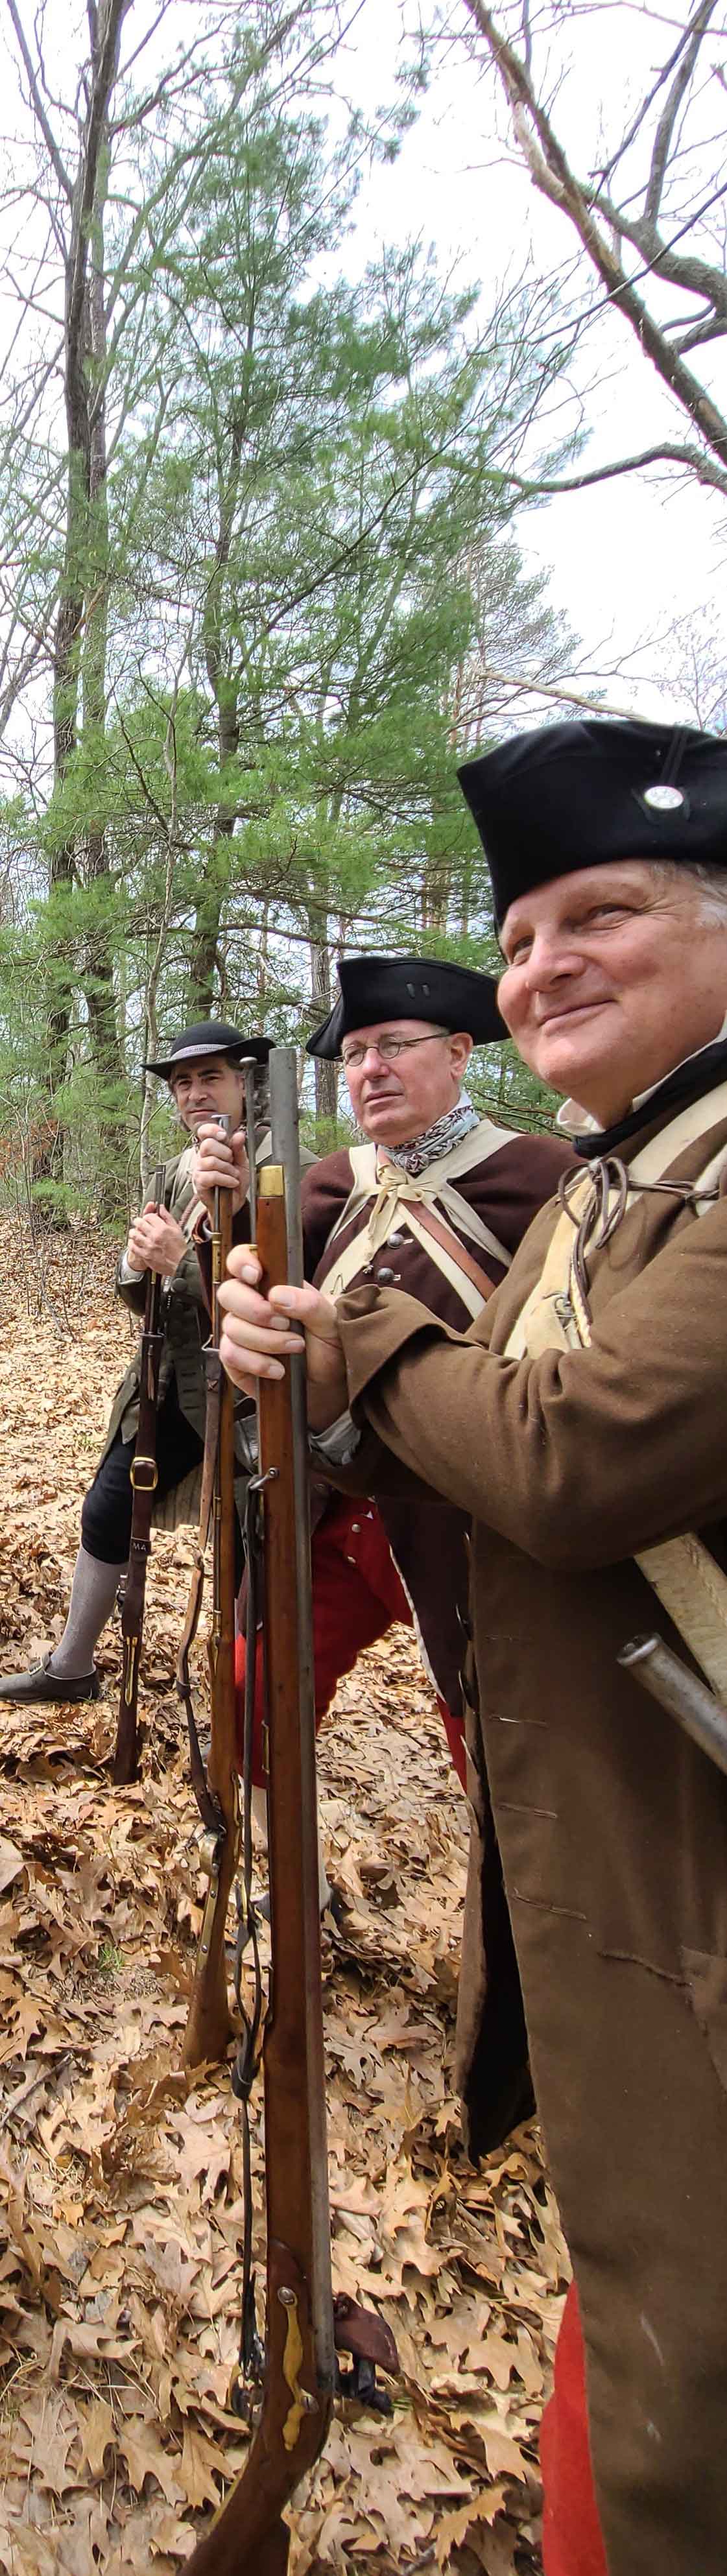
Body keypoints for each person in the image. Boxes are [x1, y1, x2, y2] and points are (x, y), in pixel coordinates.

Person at [215, 715, 727, 2576]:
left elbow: (563, 1440)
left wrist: (351, 1358)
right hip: (482, 1613)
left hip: (561, 1647)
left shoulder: (545, 1169)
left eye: (610, 914)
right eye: (527, 932)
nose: (549, 960)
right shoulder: (614, 1170)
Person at [0, 1021, 270, 1706]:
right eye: (183, 1082)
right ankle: (72, 1667)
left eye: (210, 1077)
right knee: (108, 1508)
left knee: (254, 1546)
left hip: (253, 1400)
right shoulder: (170, 1173)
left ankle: (251, 1706)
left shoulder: (278, 1170)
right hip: (169, 1383)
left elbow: (278, 1300)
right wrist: (137, 1261)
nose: (194, 1093)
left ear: (244, 1082)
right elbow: (140, 1289)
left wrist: (182, 1262)